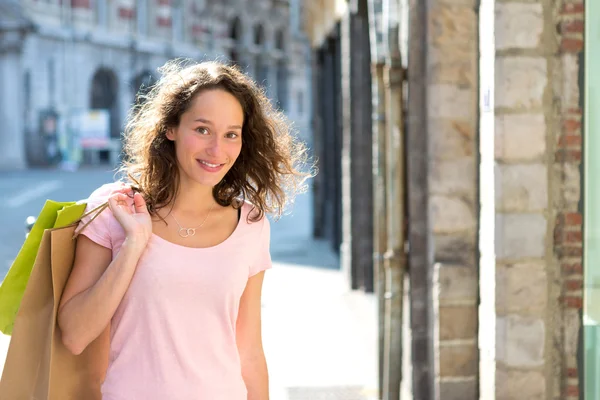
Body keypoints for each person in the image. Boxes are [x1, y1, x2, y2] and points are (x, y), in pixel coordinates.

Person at [57, 60, 311, 399]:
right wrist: (134, 245)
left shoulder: (250, 225)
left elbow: (249, 352)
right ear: (171, 128)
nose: (216, 150)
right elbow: (74, 335)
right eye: (202, 129)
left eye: (231, 134)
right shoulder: (115, 209)